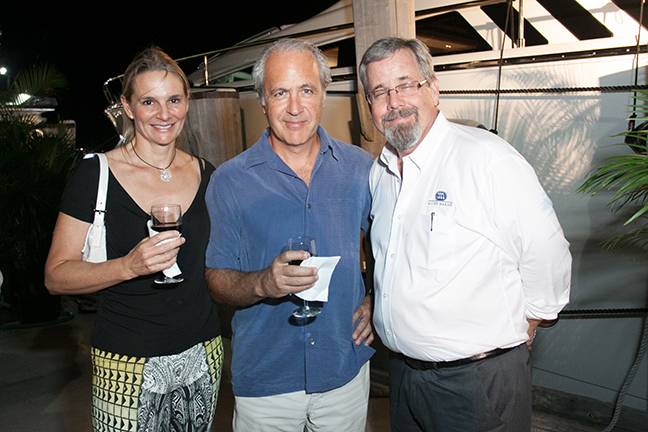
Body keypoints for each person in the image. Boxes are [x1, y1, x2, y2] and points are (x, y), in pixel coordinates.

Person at [359, 37, 572, 431]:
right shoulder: (381, 173)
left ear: (433, 88)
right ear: (368, 104)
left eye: (405, 85)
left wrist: (532, 319)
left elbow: (547, 251)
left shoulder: (486, 158)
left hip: (477, 385)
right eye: (379, 92)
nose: (394, 102)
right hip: (405, 379)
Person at [44, 47, 223, 431]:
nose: (164, 114)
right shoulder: (96, 173)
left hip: (202, 352)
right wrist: (129, 266)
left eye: (173, 100)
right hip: (126, 360)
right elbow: (56, 276)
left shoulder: (207, 173)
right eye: (148, 102)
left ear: (187, 103)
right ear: (127, 107)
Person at [205, 38, 375, 431]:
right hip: (266, 384)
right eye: (280, 93)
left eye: (307, 90)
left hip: (344, 371)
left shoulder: (360, 169)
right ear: (262, 101)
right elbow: (216, 280)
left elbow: (391, 247)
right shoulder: (230, 181)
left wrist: (375, 298)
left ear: (323, 94)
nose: (295, 107)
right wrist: (264, 283)